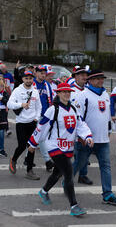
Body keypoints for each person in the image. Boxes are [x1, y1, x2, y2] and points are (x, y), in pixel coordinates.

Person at [28, 83, 93, 217]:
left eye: (68, 92)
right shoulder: (53, 109)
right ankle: (74, 205)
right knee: (68, 174)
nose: (66, 94)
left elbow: (81, 125)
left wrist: (87, 136)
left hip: (68, 147)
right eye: (63, 92)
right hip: (54, 146)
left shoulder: (74, 108)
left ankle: (44, 191)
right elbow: (41, 126)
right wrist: (33, 143)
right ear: (58, 93)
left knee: (57, 173)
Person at [73, 69, 116, 206]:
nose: (101, 81)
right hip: (87, 139)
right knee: (78, 164)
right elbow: (78, 118)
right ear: (90, 80)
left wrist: (110, 130)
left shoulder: (105, 94)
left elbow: (106, 115)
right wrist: (81, 136)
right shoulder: (83, 95)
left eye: (102, 78)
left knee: (106, 166)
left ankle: (107, 194)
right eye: (98, 78)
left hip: (103, 139)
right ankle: (67, 183)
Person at [7, 70, 42, 180]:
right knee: (22, 146)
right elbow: (9, 104)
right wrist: (21, 104)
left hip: (32, 122)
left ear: (33, 79)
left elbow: (39, 106)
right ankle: (14, 159)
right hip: (21, 122)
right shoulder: (17, 90)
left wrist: (36, 117)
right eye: (26, 78)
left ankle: (29, 171)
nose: (28, 80)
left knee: (32, 147)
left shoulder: (35, 91)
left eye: (30, 78)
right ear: (22, 79)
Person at [70, 66, 93, 185]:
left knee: (84, 154)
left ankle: (82, 175)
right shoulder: (70, 91)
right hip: (73, 128)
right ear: (76, 77)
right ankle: (67, 175)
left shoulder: (88, 90)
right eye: (82, 75)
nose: (85, 77)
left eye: (86, 75)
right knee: (78, 155)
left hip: (85, 127)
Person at [32, 65, 54, 172]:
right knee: (40, 138)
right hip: (34, 115)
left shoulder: (47, 85)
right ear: (35, 73)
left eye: (44, 72)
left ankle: (28, 158)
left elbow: (51, 100)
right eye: (40, 72)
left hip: (45, 115)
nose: (43, 74)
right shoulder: (32, 84)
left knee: (37, 137)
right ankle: (48, 161)